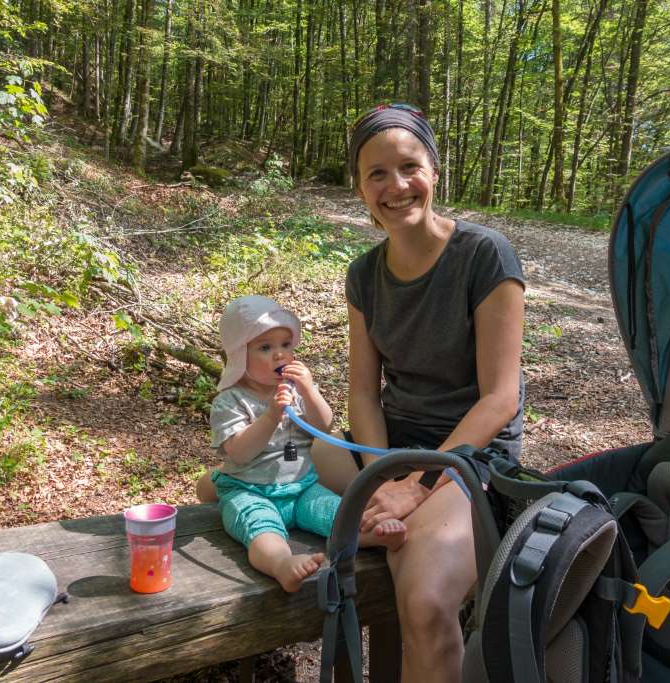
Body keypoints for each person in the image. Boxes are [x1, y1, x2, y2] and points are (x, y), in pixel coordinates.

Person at [313, 103, 526, 682]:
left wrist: (418, 484)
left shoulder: (484, 256)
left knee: (427, 602)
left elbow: (499, 399)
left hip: (470, 456)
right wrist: (383, 472)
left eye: (409, 167)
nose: (395, 186)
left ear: (434, 171)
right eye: (376, 173)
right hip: (393, 448)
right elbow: (363, 393)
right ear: (359, 187)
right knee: (283, 461)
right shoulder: (363, 274)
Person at [208, 295, 407, 593]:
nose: (280, 355)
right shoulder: (230, 401)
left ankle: (374, 534)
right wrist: (271, 416)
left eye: (286, 345)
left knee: (338, 512)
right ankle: (281, 564)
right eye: (265, 347)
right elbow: (239, 450)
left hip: (302, 487)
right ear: (239, 355)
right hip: (250, 492)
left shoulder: (294, 391)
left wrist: (310, 391)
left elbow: (323, 426)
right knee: (261, 529)